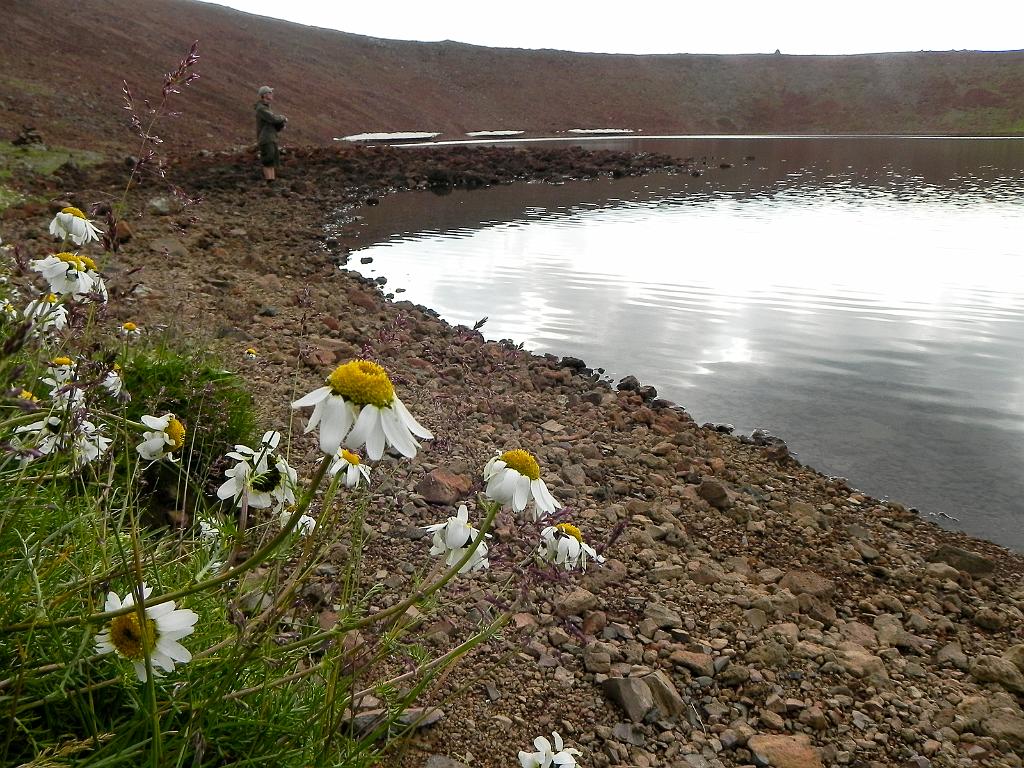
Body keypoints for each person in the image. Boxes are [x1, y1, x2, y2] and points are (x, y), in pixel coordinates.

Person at [255, 85, 287, 182]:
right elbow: (273, 119)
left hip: (271, 137)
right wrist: (283, 118)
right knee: (268, 160)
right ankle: (269, 181)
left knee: (272, 160)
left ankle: (272, 181)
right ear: (264, 95)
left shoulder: (266, 108)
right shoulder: (261, 109)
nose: (272, 94)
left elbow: (273, 121)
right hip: (266, 138)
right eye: (270, 93)